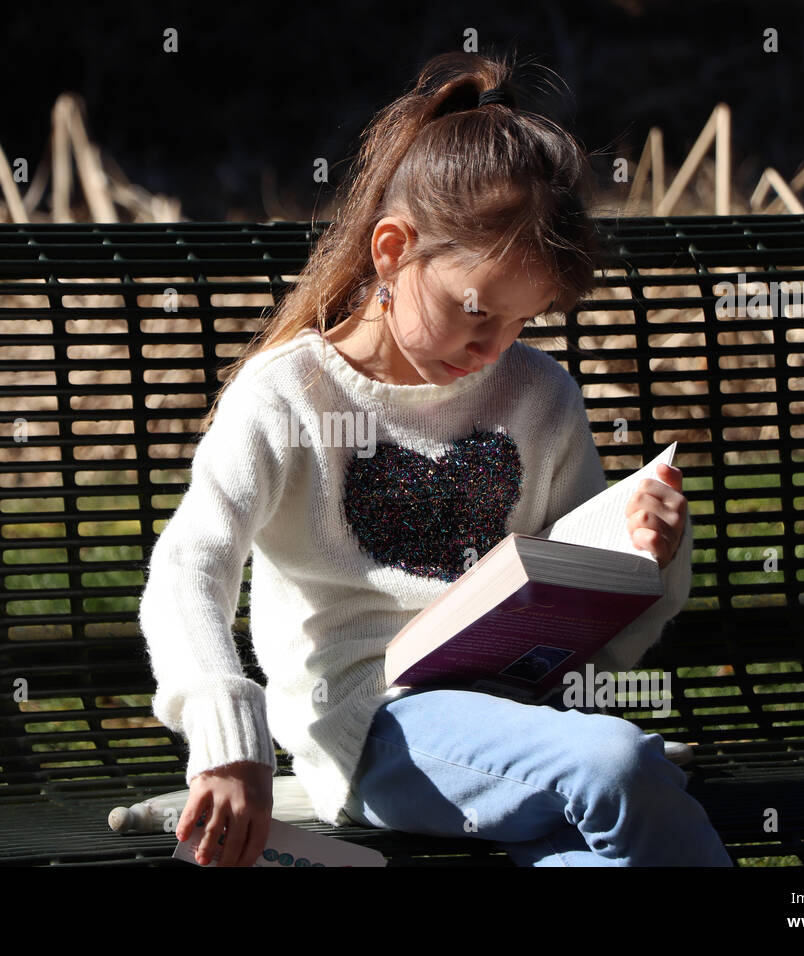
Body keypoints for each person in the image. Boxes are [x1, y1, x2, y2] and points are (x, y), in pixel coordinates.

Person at [138, 50, 732, 867]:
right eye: (474, 309)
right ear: (392, 250)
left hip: (524, 713)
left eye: (522, 322)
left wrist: (648, 549)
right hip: (375, 720)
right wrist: (225, 733)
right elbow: (188, 570)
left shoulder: (540, 395)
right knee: (621, 767)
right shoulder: (291, 397)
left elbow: (591, 600)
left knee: (597, 850)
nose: (491, 347)